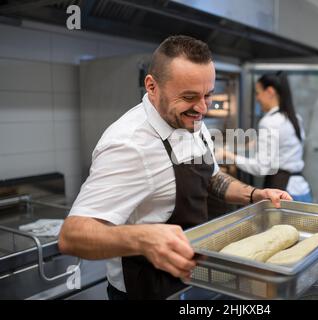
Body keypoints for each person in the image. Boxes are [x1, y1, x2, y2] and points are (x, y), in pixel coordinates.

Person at [58, 35, 292, 300]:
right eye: (190, 96)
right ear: (152, 86)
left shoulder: (191, 119)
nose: (202, 108)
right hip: (149, 291)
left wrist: (253, 194)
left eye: (208, 95)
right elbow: (72, 235)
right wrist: (143, 240)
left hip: (195, 281)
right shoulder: (129, 145)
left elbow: (212, 177)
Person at [217, 72, 312, 203]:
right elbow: (277, 147)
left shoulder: (269, 122)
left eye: (258, 92)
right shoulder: (294, 118)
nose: (257, 98)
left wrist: (229, 156)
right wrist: (241, 147)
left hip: (285, 194)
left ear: (270, 91)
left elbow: (261, 167)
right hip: (301, 191)